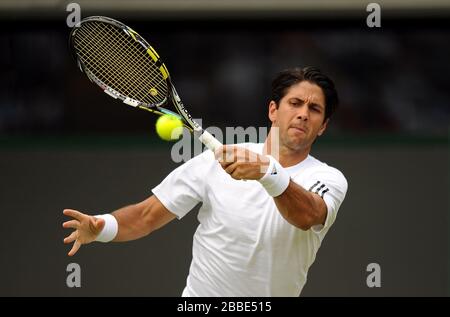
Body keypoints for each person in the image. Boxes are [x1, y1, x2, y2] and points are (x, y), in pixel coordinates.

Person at [63, 66, 348, 297]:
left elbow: (309, 216)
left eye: (314, 109)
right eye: (295, 103)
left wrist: (266, 172)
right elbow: (145, 216)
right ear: (273, 110)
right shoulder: (211, 163)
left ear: (322, 126)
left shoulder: (327, 178)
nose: (302, 113)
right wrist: (101, 227)